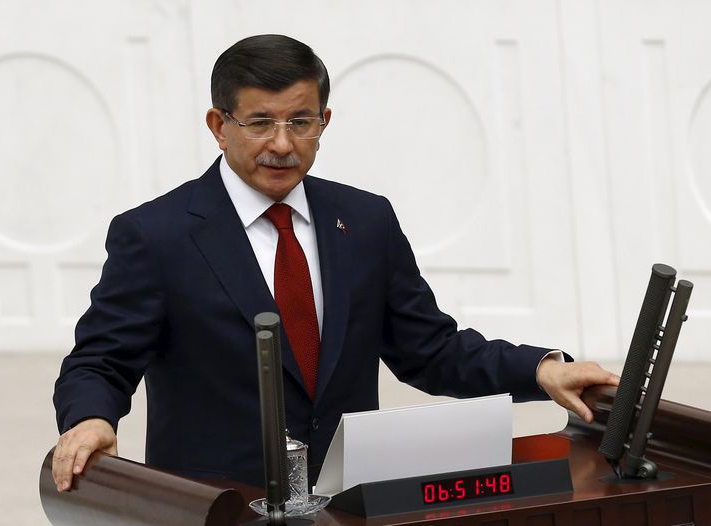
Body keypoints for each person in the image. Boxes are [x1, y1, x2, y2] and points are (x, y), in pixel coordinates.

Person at [52, 34, 619, 493]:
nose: (282, 144)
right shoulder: (156, 235)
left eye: (301, 121)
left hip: (351, 501)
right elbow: (101, 358)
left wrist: (542, 369)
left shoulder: (365, 221)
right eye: (259, 123)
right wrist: (91, 419)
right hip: (221, 506)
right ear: (218, 125)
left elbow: (430, 350)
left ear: (325, 119)